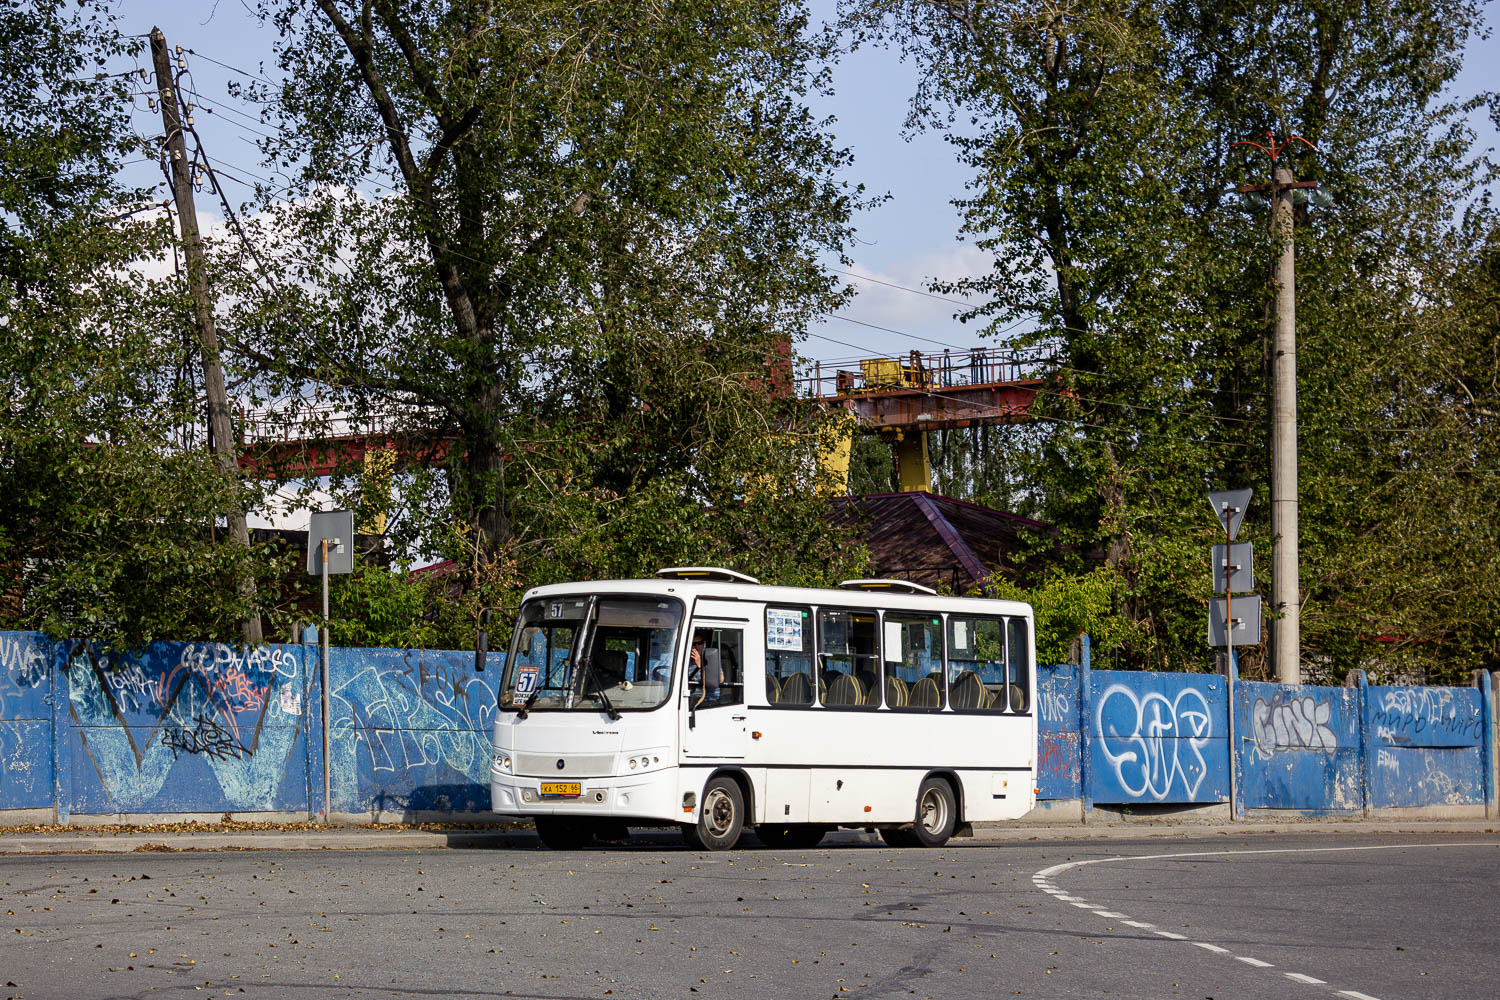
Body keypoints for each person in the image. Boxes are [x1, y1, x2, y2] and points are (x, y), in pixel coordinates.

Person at [690, 632, 722, 706]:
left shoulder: (711, 658)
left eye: (699, 643)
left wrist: (700, 664)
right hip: (691, 698)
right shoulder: (686, 662)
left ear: (704, 643)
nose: (697, 646)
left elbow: (720, 679)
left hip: (709, 701)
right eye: (694, 644)